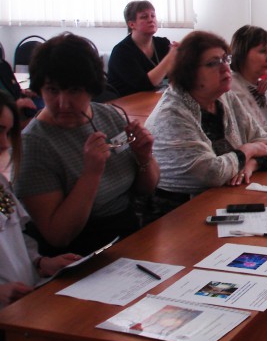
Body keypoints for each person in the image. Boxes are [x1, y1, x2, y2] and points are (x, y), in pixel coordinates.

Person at [15, 33, 160, 256]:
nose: (63, 103)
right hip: (81, 252)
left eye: (74, 90)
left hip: (128, 235)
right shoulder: (33, 145)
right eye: (52, 90)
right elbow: (58, 235)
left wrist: (144, 157)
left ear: (91, 88)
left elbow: (146, 188)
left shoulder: (109, 116)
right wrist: (91, 174)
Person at [145, 31, 267, 215]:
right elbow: (212, 173)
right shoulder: (172, 113)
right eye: (212, 63)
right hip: (178, 212)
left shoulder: (225, 96)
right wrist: (249, 150)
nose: (225, 68)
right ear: (189, 72)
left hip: (225, 196)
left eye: (225, 59)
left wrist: (251, 164)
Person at [0, 90, 80, 309]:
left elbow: (14, 239)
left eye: (8, 133)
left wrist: (40, 263)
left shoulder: (1, 183)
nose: (5, 144)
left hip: (23, 304)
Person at [108, 0, 180, 97]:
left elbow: (175, 75)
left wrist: (182, 54)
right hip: (127, 102)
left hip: (156, 98)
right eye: (144, 17)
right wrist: (171, 56)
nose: (151, 20)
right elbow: (145, 85)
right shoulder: (121, 51)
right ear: (131, 24)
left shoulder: (162, 43)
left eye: (153, 16)